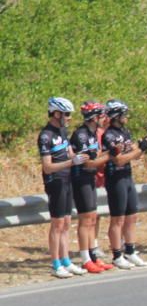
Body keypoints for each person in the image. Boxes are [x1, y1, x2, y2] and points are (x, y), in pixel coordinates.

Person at [103, 99, 147, 269]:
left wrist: (146, 145)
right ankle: (117, 254)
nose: (126, 117)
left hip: (128, 177)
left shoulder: (125, 132)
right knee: (118, 219)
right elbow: (119, 160)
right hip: (115, 178)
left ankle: (130, 250)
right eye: (124, 114)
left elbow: (133, 153)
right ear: (116, 116)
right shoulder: (109, 135)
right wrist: (140, 148)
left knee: (132, 216)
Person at [39, 97, 86, 278]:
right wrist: (70, 162)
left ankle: (66, 260)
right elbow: (47, 166)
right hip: (55, 181)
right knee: (57, 223)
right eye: (66, 114)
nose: (69, 118)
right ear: (56, 113)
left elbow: (70, 154)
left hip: (67, 180)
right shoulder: (46, 136)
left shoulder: (63, 131)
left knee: (66, 222)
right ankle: (56, 263)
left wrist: (80, 157)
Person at [70, 101, 113, 273]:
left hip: (90, 178)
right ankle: (85, 258)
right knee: (85, 219)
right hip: (81, 178)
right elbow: (88, 163)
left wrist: (111, 152)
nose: (105, 119)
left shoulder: (94, 133)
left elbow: (97, 156)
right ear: (94, 117)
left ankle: (93, 256)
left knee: (93, 218)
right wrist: (111, 154)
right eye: (102, 116)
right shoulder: (81, 135)